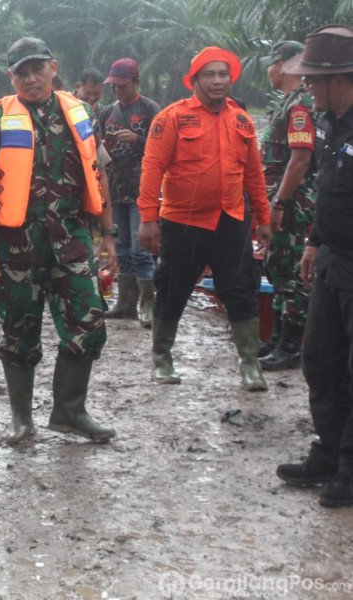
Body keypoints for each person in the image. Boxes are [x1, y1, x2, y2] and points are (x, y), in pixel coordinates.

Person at [0, 37, 118, 443]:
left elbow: (99, 175)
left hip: (72, 240)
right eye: (21, 72)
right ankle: (22, 418)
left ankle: (69, 411)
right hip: (17, 247)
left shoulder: (83, 113)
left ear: (53, 67)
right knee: (18, 331)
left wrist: (109, 234)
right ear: (10, 76)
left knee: (89, 323)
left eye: (37, 69)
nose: (30, 78)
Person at [138, 46, 271, 391]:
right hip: (184, 221)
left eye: (223, 74)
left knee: (241, 290)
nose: (217, 81)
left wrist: (264, 217)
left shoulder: (241, 119)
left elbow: (254, 173)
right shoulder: (171, 117)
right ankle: (162, 359)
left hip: (232, 220)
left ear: (231, 79)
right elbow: (152, 168)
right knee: (172, 289)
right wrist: (148, 218)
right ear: (194, 79)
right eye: (209, 75)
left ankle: (250, 364)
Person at [276, 25, 353, 508]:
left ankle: (349, 469)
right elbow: (329, 191)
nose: (306, 87)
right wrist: (313, 243)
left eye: (313, 81)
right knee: (320, 359)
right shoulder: (326, 123)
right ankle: (327, 453)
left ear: (339, 79)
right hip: (330, 259)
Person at [257, 41, 317, 371]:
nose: (270, 70)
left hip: (292, 205)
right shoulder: (289, 102)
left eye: (273, 63)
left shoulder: (299, 106)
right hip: (281, 202)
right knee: (278, 270)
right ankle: (278, 340)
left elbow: (301, 158)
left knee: (291, 274)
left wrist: (279, 201)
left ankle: (291, 346)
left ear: (284, 65)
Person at [97, 58, 160, 327]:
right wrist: (106, 145)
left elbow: (163, 150)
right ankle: (125, 304)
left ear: (136, 82)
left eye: (122, 85)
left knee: (140, 247)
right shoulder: (107, 113)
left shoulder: (150, 110)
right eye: (113, 86)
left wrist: (137, 140)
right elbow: (98, 155)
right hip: (115, 189)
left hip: (141, 190)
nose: (117, 90)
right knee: (120, 248)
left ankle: (148, 306)